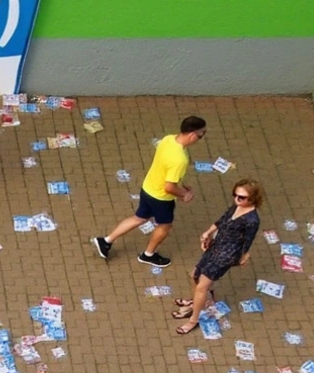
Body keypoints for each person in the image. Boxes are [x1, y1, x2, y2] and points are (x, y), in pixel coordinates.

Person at [92, 116, 207, 268]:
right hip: (161, 197)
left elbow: (167, 171)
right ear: (192, 134)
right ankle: (148, 255)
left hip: (148, 188)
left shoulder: (168, 139)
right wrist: (184, 194)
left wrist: (179, 185)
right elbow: (169, 187)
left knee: (139, 217)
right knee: (164, 226)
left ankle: (106, 241)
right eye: (201, 135)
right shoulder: (180, 159)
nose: (201, 138)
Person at [173, 179, 262, 335]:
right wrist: (207, 233)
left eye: (241, 197)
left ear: (252, 198)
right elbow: (221, 221)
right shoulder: (237, 206)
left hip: (227, 254)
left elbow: (248, 240)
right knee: (194, 274)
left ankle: (193, 319)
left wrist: (244, 256)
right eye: (235, 195)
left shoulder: (252, 220)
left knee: (202, 286)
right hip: (216, 246)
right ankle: (200, 301)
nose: (236, 199)